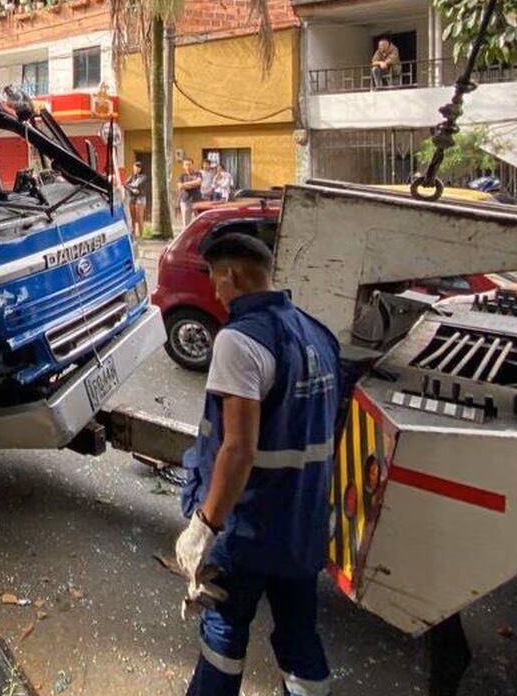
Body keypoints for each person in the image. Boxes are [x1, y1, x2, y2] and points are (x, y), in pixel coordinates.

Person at [174, 233, 342, 696]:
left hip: (248, 528)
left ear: (229, 274)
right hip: (302, 527)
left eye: (213, 278)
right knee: (299, 637)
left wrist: (205, 526)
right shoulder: (316, 332)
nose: (212, 290)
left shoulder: (239, 341)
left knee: (224, 634)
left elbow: (237, 449)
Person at [125, 161, 149, 237]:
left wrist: (130, 185)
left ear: (140, 168)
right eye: (134, 168)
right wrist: (132, 189)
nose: (135, 169)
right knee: (133, 217)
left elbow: (136, 184)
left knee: (139, 217)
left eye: (137, 168)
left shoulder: (143, 176)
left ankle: (141, 235)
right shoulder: (132, 176)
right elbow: (125, 184)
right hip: (132, 197)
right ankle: (133, 234)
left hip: (140, 198)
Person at [178, 158, 203, 227]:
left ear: (192, 165)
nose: (188, 166)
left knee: (200, 221)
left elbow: (199, 182)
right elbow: (180, 186)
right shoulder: (182, 176)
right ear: (183, 166)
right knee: (186, 223)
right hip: (185, 201)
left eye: (189, 164)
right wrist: (193, 184)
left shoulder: (198, 174)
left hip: (197, 201)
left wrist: (185, 184)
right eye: (186, 164)